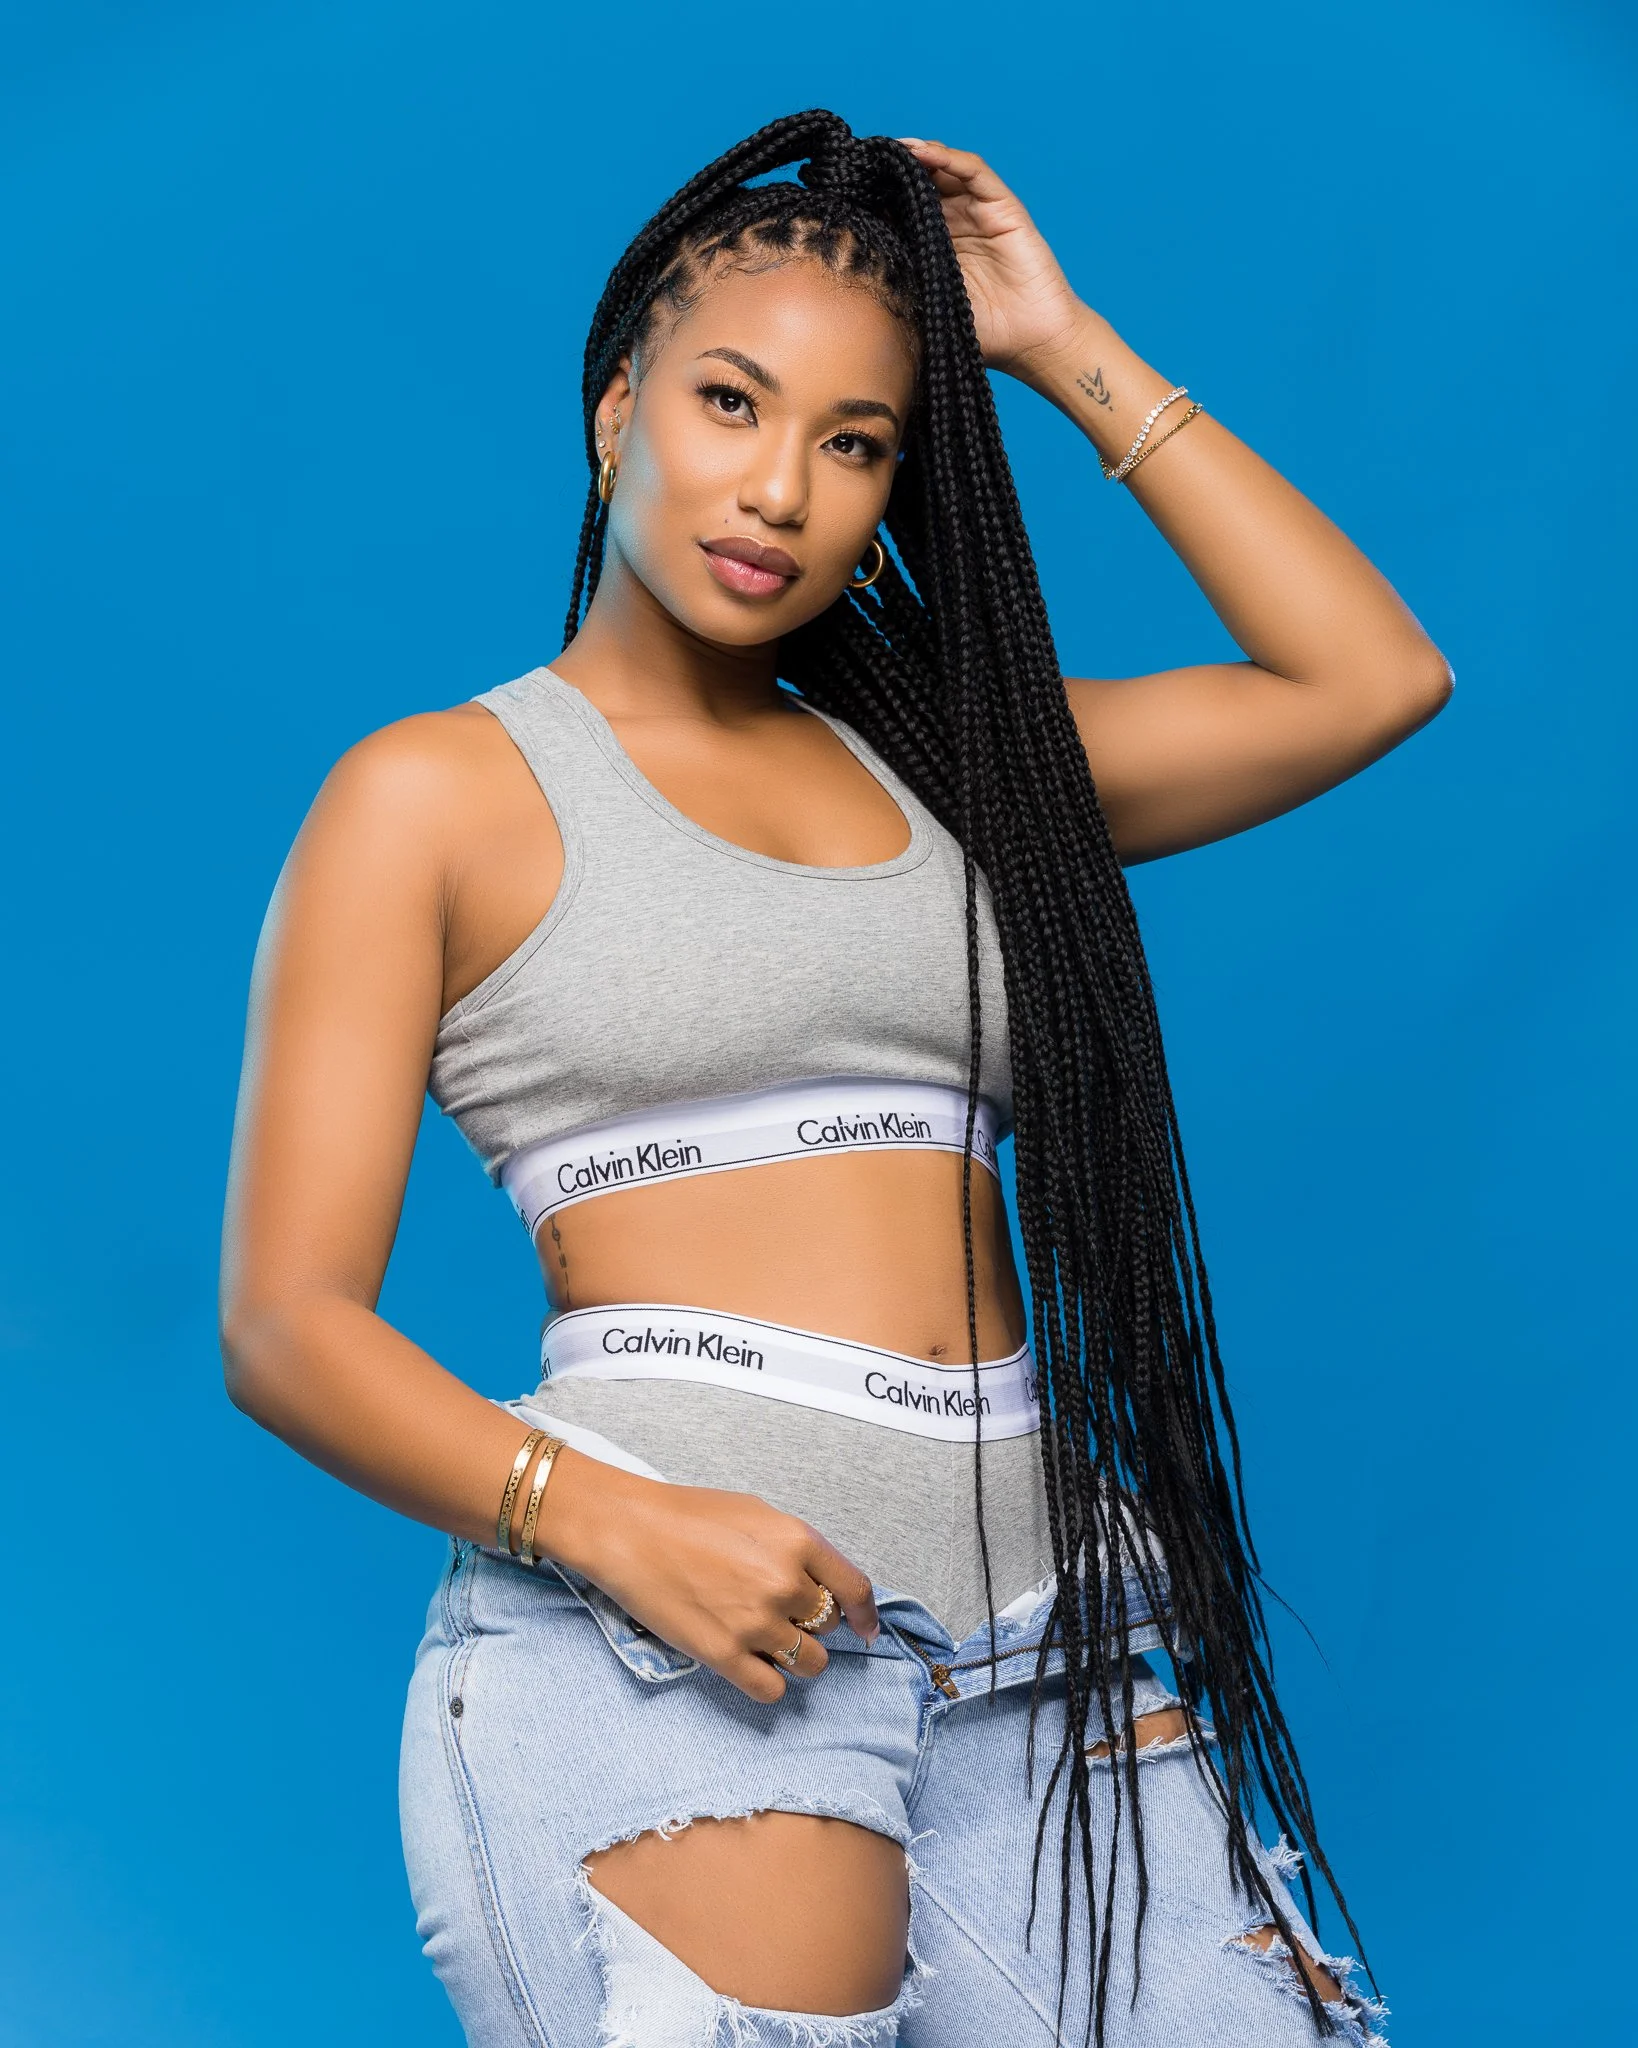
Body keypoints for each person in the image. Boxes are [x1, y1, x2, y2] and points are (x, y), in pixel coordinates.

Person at [220, 110, 1447, 2047]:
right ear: (616, 408)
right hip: (686, 1653)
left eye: (855, 441)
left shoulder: (967, 770)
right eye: (729, 401)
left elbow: (1366, 680)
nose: (778, 486)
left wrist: (1056, 344)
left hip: (1053, 1651)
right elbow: (284, 1325)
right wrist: (614, 1526)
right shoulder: (437, 796)